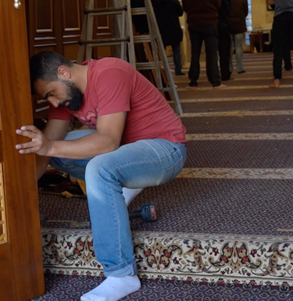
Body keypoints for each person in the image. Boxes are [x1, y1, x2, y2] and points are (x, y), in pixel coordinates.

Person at [18, 52, 187, 301]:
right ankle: (117, 188)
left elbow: (108, 141)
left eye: (50, 93)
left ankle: (122, 275)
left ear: (64, 73)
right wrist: (18, 193)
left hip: (164, 149)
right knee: (56, 150)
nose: (53, 103)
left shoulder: (110, 72)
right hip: (124, 153)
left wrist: (49, 147)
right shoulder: (68, 96)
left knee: (98, 167)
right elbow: (50, 144)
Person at [181, 0, 226, 89]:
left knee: (195, 53)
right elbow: (218, 3)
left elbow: (184, 6)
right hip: (210, 23)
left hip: (194, 23)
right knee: (211, 53)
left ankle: (193, 82)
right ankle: (215, 82)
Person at [153, 0, 185, 75]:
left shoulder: (156, 0)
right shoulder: (173, 0)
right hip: (174, 28)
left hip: (161, 29)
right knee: (176, 51)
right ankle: (178, 70)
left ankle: (161, 71)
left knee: (161, 52)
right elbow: (180, 13)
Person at [209, 0, 232, 81]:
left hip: (211, 25)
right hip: (222, 26)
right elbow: (228, 9)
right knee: (224, 52)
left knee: (212, 52)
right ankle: (225, 74)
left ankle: (212, 76)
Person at [227, 0, 249, 74]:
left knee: (228, 48)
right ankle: (239, 68)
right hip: (239, 25)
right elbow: (246, 12)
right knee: (239, 47)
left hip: (228, 26)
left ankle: (229, 68)